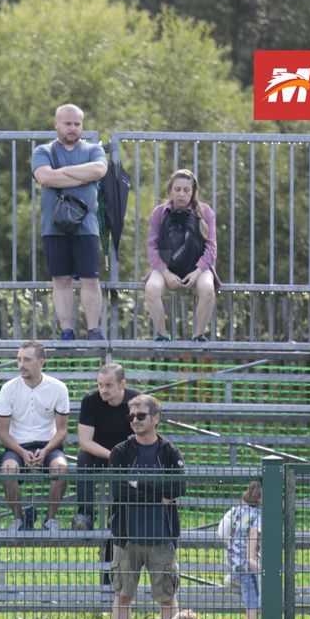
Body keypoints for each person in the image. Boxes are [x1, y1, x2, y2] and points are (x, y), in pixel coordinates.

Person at [104, 394, 187, 619]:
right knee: (122, 597)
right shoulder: (120, 452)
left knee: (166, 598)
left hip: (162, 538)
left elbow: (177, 490)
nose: (135, 421)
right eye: (131, 416)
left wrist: (137, 484)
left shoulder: (169, 452)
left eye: (140, 416)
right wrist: (156, 491)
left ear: (156, 418)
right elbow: (118, 491)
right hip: (128, 538)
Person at [31, 104, 108, 341]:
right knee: (61, 279)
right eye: (67, 123)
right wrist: (81, 177)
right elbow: (44, 176)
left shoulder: (94, 149)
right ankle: (67, 331)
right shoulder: (42, 151)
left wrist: (61, 175)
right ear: (56, 124)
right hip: (53, 226)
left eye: (77, 123)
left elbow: (99, 170)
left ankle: (94, 330)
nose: (73, 128)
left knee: (90, 279)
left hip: (87, 226)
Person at [0, 341, 70, 531]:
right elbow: (3, 432)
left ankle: (49, 519)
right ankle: (19, 520)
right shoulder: (8, 388)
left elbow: (61, 430)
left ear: (41, 362)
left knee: (61, 469)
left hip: (49, 445)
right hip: (17, 445)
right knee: (7, 470)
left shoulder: (58, 388)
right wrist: (22, 452)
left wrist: (45, 451)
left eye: (27, 359)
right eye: (19, 359)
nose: (21, 364)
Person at [144, 169, 220, 342]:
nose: (181, 194)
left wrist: (198, 271)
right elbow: (151, 248)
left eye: (186, 190)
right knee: (151, 289)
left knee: (208, 290)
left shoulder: (205, 212)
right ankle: (162, 336)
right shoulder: (159, 212)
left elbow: (211, 247)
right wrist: (165, 272)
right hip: (165, 267)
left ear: (193, 192)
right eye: (177, 189)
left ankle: (198, 336)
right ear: (170, 191)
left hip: (197, 267)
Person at [75, 363, 140, 530]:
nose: (103, 390)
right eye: (100, 385)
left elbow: (145, 437)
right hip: (97, 452)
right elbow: (85, 442)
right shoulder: (90, 400)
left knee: (127, 464)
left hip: (126, 452)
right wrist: (111, 454)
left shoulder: (137, 402)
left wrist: (119, 455)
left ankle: (117, 515)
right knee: (83, 459)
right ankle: (85, 515)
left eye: (109, 385)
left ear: (122, 384)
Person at [225, 480, 262, 619]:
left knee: (252, 605)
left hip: (233, 562)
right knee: (253, 607)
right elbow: (253, 535)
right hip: (247, 566)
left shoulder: (240, 509)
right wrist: (252, 560)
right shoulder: (259, 514)